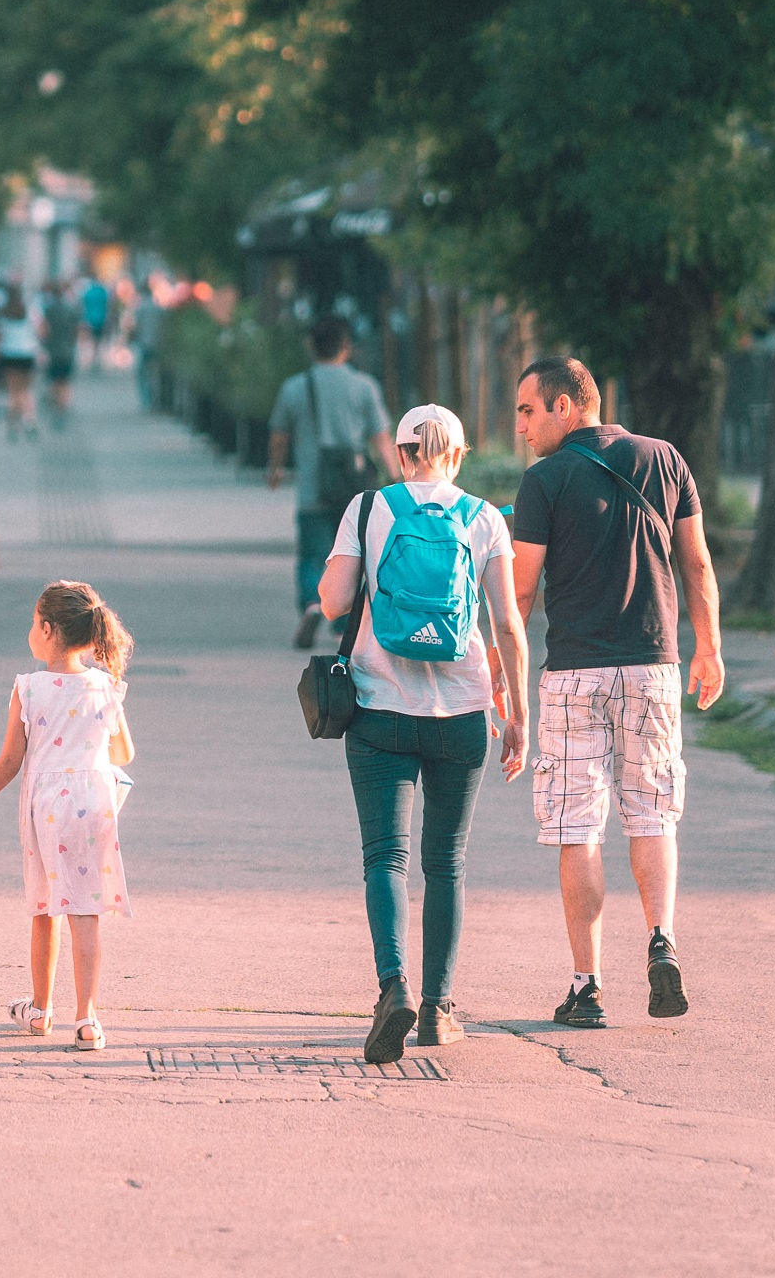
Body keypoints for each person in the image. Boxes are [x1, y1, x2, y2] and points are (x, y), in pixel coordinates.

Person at [510, 356, 725, 1029]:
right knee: (653, 812)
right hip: (654, 667)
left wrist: (503, 671)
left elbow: (519, 587)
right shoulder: (666, 460)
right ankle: (661, 940)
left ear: (566, 407)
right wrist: (709, 647)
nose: (520, 426)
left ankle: (587, 987)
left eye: (527, 410)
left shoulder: (543, 481)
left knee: (579, 827)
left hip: (575, 672)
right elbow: (696, 561)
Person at [319, 405, 530, 1060]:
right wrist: (518, 712)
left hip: (379, 708)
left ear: (402, 453)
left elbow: (332, 602)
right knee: (447, 863)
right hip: (463, 712)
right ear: (458, 455)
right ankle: (438, 1009)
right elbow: (508, 625)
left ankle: (394, 989)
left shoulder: (368, 509)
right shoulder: (485, 518)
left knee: (385, 856)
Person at [0, 582, 135, 1050]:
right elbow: (125, 752)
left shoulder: (28, 689)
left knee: (46, 907)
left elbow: (11, 761)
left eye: (34, 622)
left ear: (48, 630)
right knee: (85, 909)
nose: (31, 630)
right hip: (95, 802)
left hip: (48, 807)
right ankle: (87, 1020)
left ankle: (40, 1010)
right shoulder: (106, 686)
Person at [267, 314, 396, 650]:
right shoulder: (364, 386)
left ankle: (312, 604)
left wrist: (276, 468)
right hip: (355, 491)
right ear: (346, 347)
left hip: (312, 487)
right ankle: (342, 623)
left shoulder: (295, 387)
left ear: (312, 346)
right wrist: (397, 475)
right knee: (351, 555)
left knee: (312, 554)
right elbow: (381, 437)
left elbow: (279, 434)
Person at [0, 283, 41, 439]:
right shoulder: (31, 311)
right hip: (27, 354)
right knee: (27, 390)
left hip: (9, 355)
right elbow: (43, 330)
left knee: (13, 392)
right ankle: (30, 421)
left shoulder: (3, 314)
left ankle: (12, 424)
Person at [41, 281, 82, 426]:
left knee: (54, 380)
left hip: (52, 350)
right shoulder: (71, 309)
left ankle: (56, 405)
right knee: (65, 382)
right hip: (67, 350)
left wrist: (44, 344)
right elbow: (77, 330)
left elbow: (43, 330)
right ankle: (62, 409)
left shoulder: (48, 309)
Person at [131, 289, 165, 411]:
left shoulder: (140, 309)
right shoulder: (160, 309)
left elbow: (134, 326)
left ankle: (146, 400)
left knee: (143, 373)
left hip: (143, 344)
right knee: (154, 373)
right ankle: (155, 399)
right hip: (157, 344)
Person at [80, 277, 110, 368]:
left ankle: (91, 357)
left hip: (89, 319)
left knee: (89, 339)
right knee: (98, 340)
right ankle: (96, 357)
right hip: (101, 319)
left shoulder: (87, 292)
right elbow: (107, 306)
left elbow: (83, 305)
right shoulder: (103, 292)